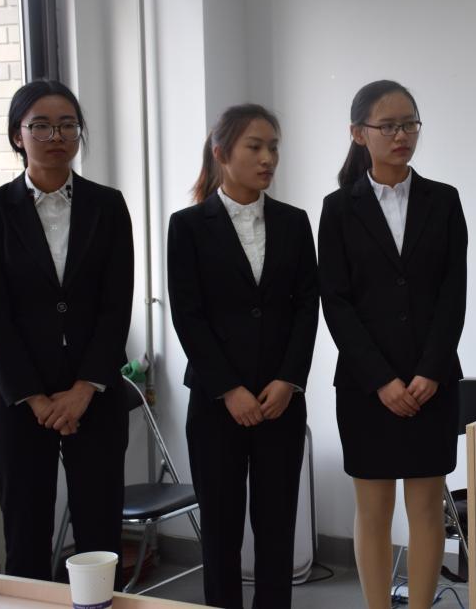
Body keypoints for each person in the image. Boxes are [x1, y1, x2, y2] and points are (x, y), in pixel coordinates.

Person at [0, 79, 133, 584]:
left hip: (95, 395)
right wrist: (37, 400)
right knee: (26, 538)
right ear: (17, 135)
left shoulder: (108, 205)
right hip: (20, 400)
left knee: (100, 539)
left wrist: (84, 388)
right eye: (40, 125)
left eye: (67, 125)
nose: (56, 136)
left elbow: (116, 305)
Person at [318, 80, 467, 609]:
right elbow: (336, 302)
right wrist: (381, 379)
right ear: (359, 133)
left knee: (426, 508)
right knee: (374, 509)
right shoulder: (339, 208)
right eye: (388, 126)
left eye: (409, 124)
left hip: (433, 382)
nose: (402, 135)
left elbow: (453, 294)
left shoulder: (443, 201)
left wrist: (430, 370)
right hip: (366, 386)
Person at [167, 104, 319, 609]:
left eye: (273, 147)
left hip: (280, 400)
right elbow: (188, 316)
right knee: (221, 530)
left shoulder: (294, 222)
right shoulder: (188, 226)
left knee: (276, 527)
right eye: (254, 147)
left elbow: (307, 307)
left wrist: (288, 379)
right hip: (217, 404)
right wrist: (229, 389)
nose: (267, 158)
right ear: (221, 152)